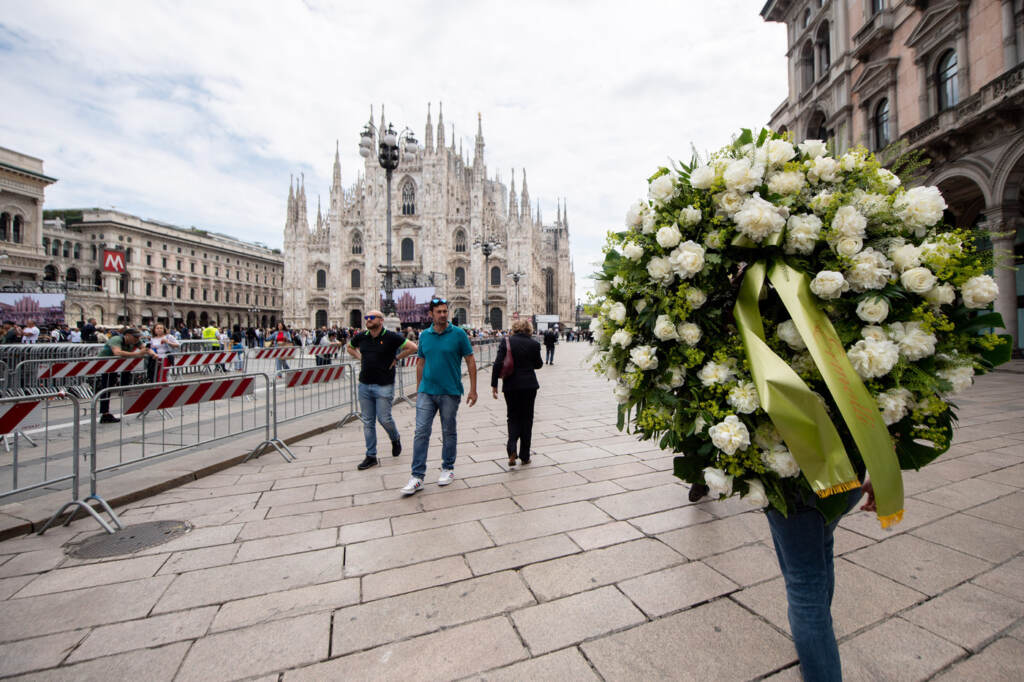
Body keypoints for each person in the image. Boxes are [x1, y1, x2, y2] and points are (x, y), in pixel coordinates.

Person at [764, 482, 867, 681]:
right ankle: (816, 652)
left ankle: (818, 661)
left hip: (797, 485)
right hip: (848, 476)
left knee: (805, 584)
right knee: (821, 546)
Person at [401, 298, 477, 495]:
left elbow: (470, 360)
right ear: (431, 314)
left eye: (445, 311)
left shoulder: (459, 334)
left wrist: (473, 389)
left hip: (450, 391)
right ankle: (417, 476)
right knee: (421, 432)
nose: (443, 315)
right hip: (427, 391)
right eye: (439, 312)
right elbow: (420, 363)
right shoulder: (425, 336)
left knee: (448, 431)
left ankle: (447, 468)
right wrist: (419, 390)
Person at [347, 310, 418, 470]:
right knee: (368, 421)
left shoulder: (391, 337)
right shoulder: (362, 336)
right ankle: (371, 455)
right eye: (366, 318)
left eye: (371, 318)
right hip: (364, 384)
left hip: (384, 384)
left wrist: (397, 358)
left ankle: (395, 438)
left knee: (384, 418)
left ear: (380, 320)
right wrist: (360, 357)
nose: (368, 320)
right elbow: (349, 347)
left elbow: (412, 347)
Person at [491, 318, 543, 467]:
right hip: (529, 385)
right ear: (529, 329)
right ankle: (525, 455)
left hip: (511, 385)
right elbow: (538, 365)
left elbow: (498, 363)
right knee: (527, 419)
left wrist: (494, 384)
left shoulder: (506, 341)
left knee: (512, 417)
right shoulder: (534, 343)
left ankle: (512, 448)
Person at [97, 329, 157, 424]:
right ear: (128, 335)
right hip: (106, 366)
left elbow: (145, 348)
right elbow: (117, 352)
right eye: (135, 337)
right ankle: (105, 413)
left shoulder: (136, 341)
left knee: (120, 385)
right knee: (107, 388)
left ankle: (127, 405)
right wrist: (136, 354)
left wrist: (153, 354)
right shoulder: (116, 339)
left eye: (138, 337)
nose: (137, 339)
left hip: (121, 365)